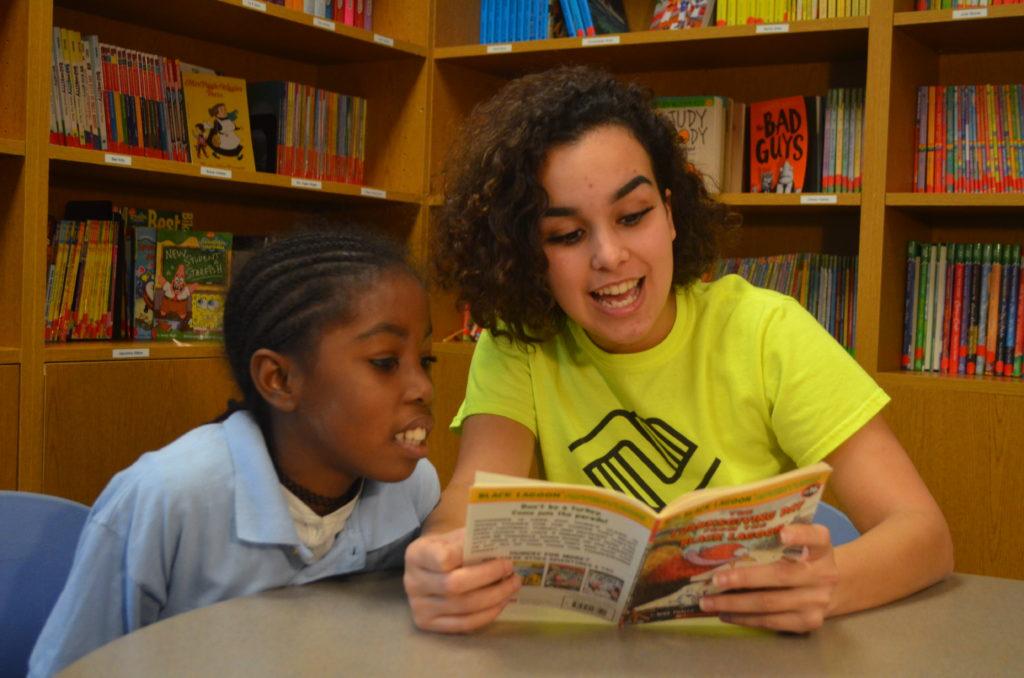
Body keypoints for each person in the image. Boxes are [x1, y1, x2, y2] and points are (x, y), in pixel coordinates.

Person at [404, 65, 953, 634]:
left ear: (669, 214)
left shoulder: (766, 331)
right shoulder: (518, 343)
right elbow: (470, 497)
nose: (609, 255)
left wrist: (828, 581)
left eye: (633, 215)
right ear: (524, 255)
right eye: (566, 235)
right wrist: (441, 562)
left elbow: (922, 532)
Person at [30, 230, 439, 676]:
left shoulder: (415, 488)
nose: (423, 388)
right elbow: (70, 669)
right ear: (279, 379)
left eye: (427, 361)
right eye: (385, 362)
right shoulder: (167, 497)